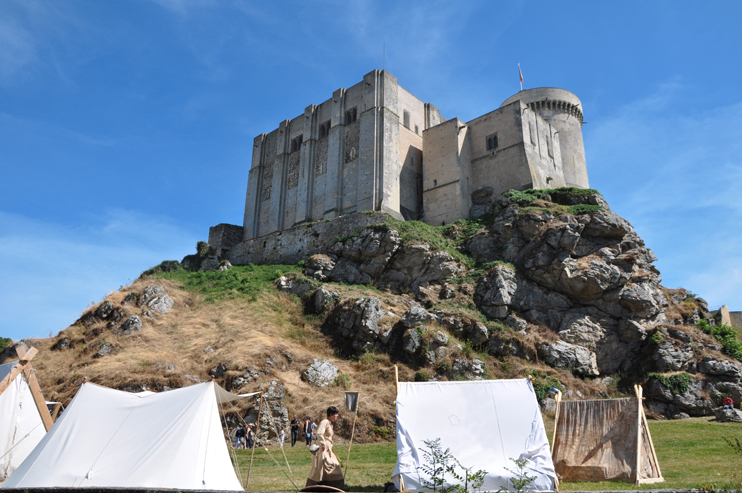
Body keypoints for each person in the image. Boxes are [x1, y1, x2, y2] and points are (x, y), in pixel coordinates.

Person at [306, 406, 345, 489]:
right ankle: (313, 487)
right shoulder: (325, 422)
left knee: (334, 466)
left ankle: (336, 487)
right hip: (322, 449)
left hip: (328, 449)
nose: (337, 416)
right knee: (319, 469)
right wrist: (323, 444)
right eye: (336, 414)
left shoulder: (330, 424)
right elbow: (319, 433)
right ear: (331, 414)